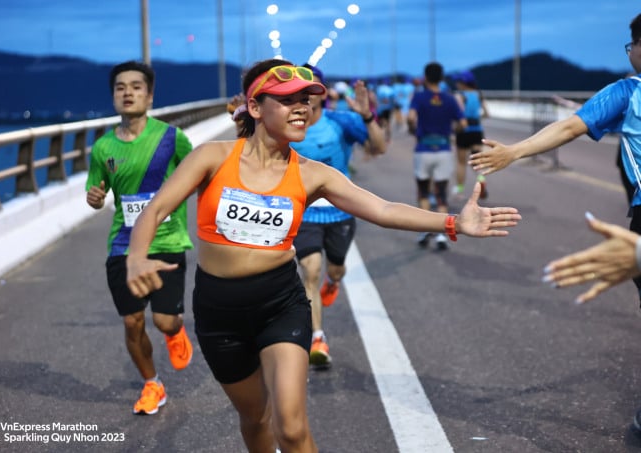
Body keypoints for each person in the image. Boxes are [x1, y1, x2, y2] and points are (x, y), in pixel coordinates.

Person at [124, 58, 521, 452]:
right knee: (254, 419)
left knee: (292, 428)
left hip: (279, 304)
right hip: (218, 312)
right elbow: (156, 208)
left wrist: (452, 223)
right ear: (256, 107)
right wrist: (136, 257)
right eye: (287, 99)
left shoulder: (313, 174)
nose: (301, 106)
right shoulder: (212, 157)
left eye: (306, 98)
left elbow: (382, 210)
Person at [470, 12, 641, 431]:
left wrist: (513, 153)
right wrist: (513, 153)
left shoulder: (628, 93)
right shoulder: (625, 92)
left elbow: (569, 126)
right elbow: (569, 126)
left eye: (630, 45)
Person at [85, 61, 194, 415]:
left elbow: (198, 172)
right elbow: (95, 186)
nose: (127, 92)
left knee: (163, 321)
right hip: (123, 245)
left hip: (167, 242)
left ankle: (175, 330)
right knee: (132, 323)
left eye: (136, 86)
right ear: (114, 96)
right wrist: (94, 197)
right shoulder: (102, 148)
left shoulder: (171, 138)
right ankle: (152, 384)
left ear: (149, 95)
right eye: (120, 87)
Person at [291, 64, 387, 369]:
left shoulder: (340, 122)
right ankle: (317, 337)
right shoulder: (286, 125)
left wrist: (368, 115)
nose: (304, 95)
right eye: (298, 89)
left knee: (335, 271)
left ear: (322, 93)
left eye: (311, 88)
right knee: (310, 270)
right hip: (303, 214)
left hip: (339, 213)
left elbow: (379, 147)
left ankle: (334, 282)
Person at [407, 62, 467, 250]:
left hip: (423, 149)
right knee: (441, 194)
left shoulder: (419, 97)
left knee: (423, 192)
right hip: (443, 149)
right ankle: (442, 234)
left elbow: (410, 117)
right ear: (441, 78)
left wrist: (412, 130)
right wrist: (452, 131)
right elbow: (463, 123)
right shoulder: (450, 99)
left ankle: (425, 229)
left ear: (425, 77)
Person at [453, 70, 489, 199]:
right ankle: (481, 180)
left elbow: (460, 114)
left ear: (463, 83)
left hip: (463, 132)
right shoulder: (478, 94)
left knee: (461, 162)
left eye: (458, 81)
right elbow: (487, 113)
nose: (456, 84)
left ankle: (460, 190)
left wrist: (455, 128)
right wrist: (477, 119)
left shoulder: (460, 96)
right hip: (477, 131)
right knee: (477, 161)